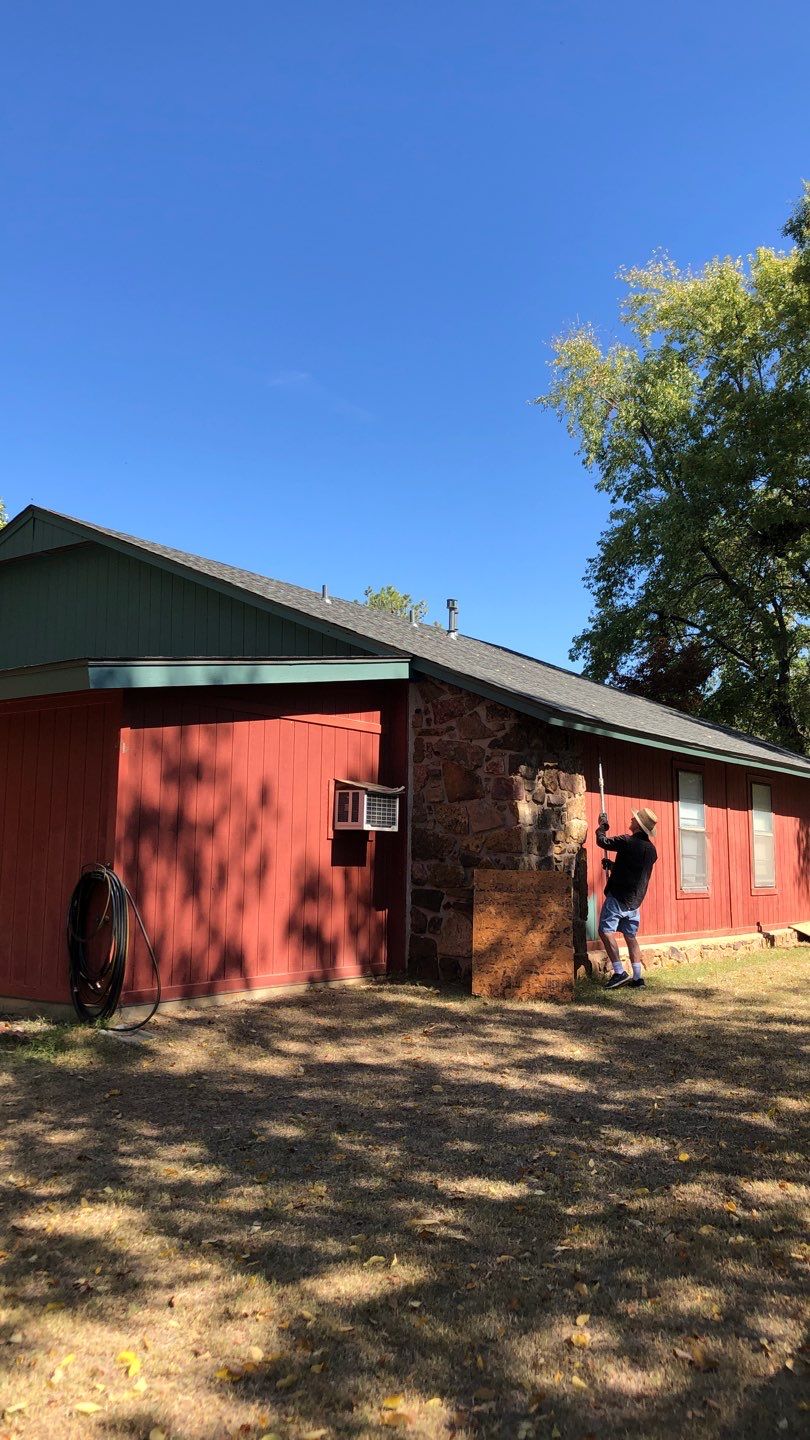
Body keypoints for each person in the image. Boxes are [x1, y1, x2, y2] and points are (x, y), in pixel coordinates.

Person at [595, 806, 658, 989]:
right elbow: (633, 870)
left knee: (605, 931)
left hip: (618, 897)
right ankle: (638, 978)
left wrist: (601, 826)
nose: (631, 820)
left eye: (633, 819)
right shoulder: (651, 850)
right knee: (630, 936)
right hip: (635, 902)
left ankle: (619, 972)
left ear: (637, 825)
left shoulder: (627, 841)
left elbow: (603, 842)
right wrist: (613, 866)